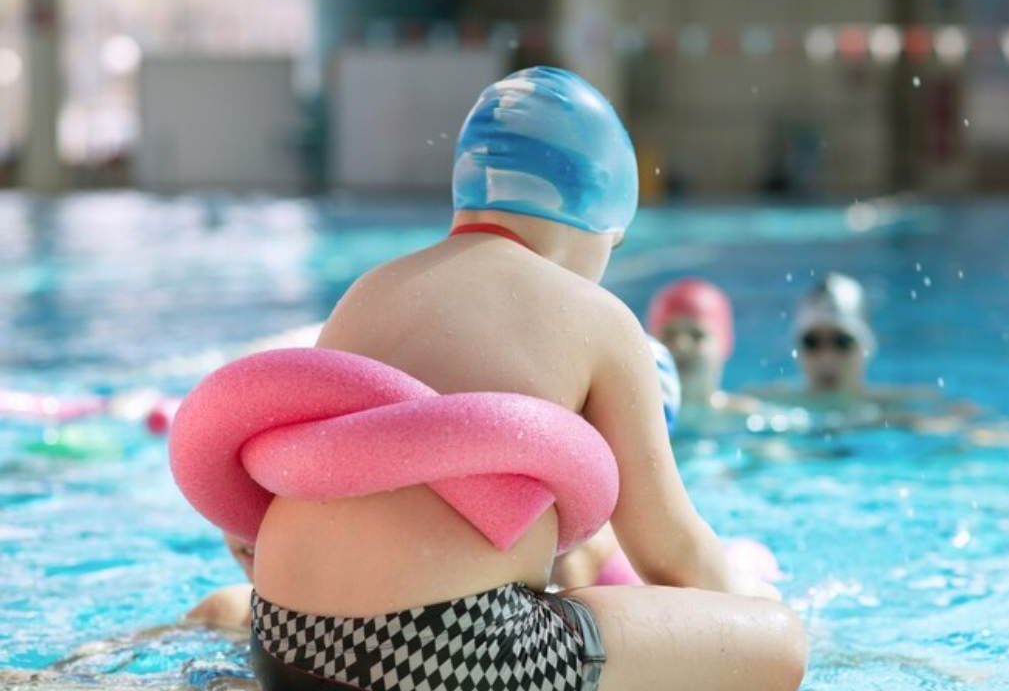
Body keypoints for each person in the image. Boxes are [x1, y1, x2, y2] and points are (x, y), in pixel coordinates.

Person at [245, 67, 806, 691]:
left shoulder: (369, 291)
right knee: (779, 646)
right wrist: (743, 613)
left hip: (280, 638)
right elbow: (668, 549)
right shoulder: (595, 317)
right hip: (441, 656)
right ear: (599, 214)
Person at [753, 273, 1009, 445]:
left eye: (842, 342)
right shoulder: (764, 404)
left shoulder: (905, 404)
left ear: (865, 347)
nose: (827, 356)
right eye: (812, 343)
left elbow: (1002, 432)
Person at [645, 278, 760, 432]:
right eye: (669, 335)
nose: (681, 346)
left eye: (696, 335)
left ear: (725, 344)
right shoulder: (640, 420)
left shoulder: (747, 418)